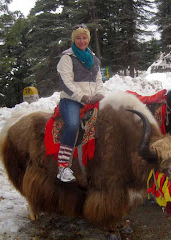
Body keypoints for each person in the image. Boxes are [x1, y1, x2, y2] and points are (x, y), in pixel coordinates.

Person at [56, 24, 105, 182]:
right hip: (71, 100)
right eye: (78, 38)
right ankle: (63, 166)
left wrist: (99, 94)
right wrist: (83, 97)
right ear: (73, 40)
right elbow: (66, 83)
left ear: (88, 39)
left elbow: (99, 80)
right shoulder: (67, 58)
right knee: (72, 125)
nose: (81, 40)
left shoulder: (94, 59)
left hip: (91, 100)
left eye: (84, 37)